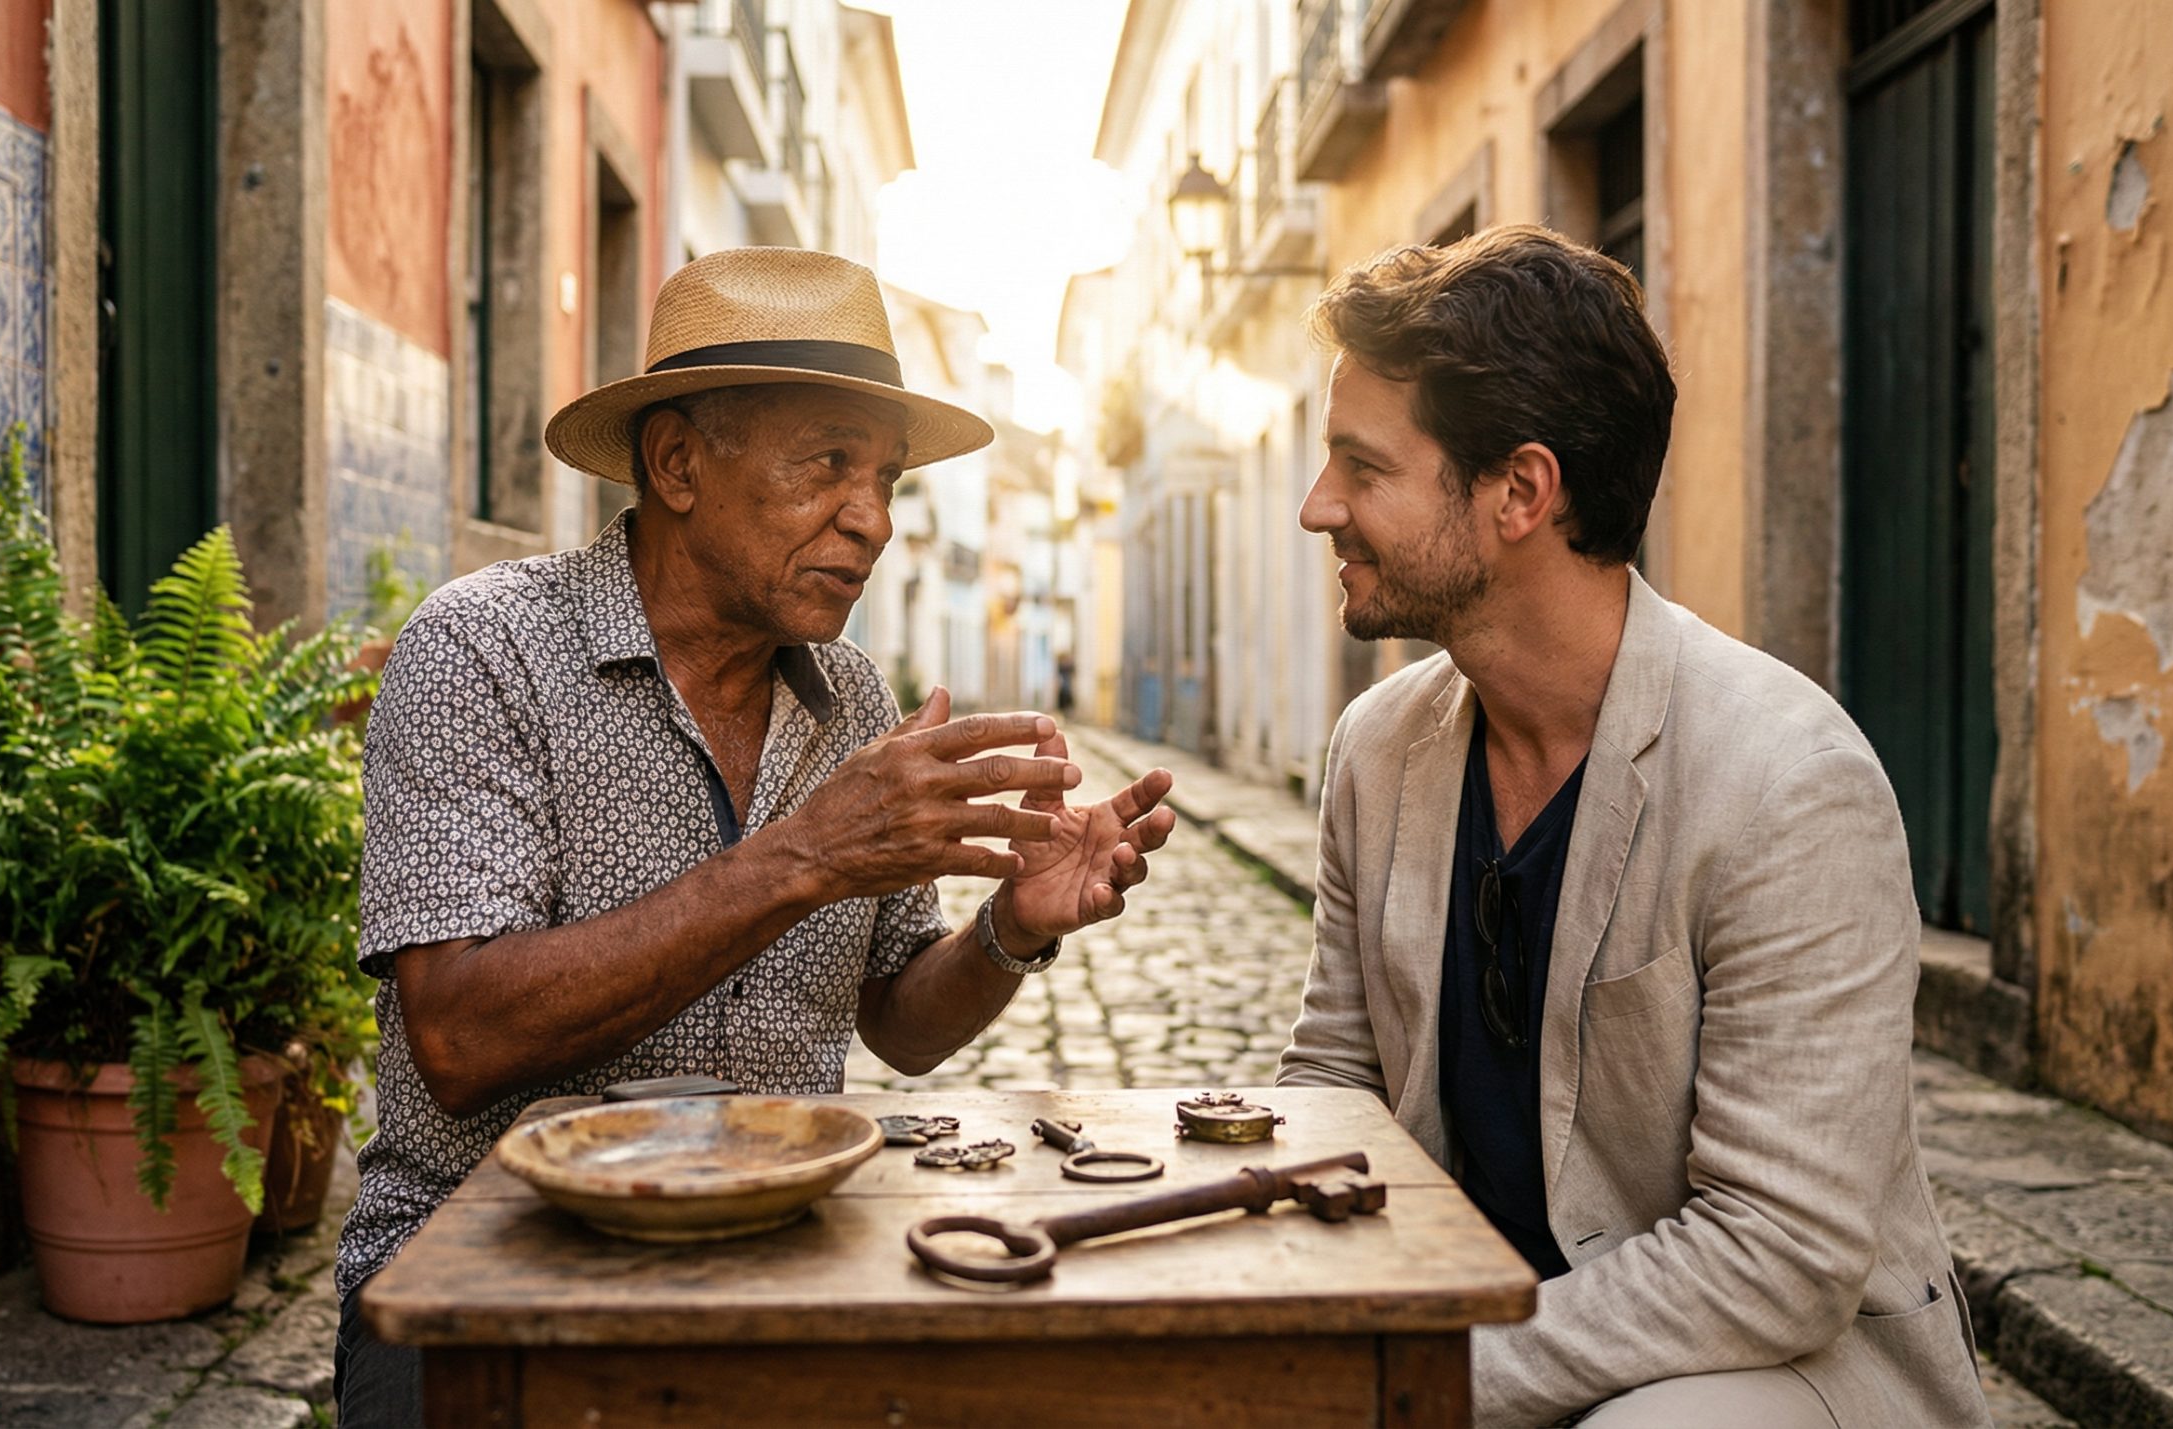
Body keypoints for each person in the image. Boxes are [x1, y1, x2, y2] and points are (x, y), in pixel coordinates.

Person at [332, 248, 1176, 1427]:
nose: (872, 520)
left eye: (886, 479)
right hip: (481, 1285)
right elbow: (460, 1038)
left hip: (784, 1276)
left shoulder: (853, 698)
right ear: (677, 462)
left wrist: (1009, 929)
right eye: (828, 463)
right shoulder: (482, 650)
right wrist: (805, 856)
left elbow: (900, 1024)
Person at [1276, 225, 1988, 1426]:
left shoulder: (1789, 781)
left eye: (1362, 465)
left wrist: (1426, 1384)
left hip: (1772, 1367)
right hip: (1476, 1332)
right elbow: (1336, 1086)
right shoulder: (1377, 745)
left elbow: (1777, 1253)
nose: (1317, 507)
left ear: (1520, 491)